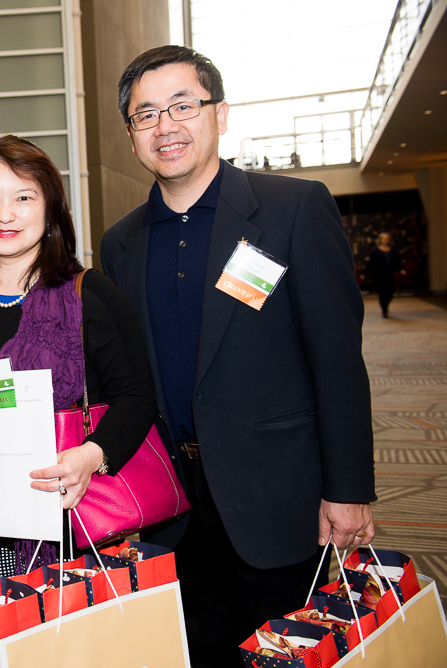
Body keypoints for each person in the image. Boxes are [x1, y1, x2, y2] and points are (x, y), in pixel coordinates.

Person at [100, 46, 375, 668]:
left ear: (220, 114)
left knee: (294, 654)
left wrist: (349, 488)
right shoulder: (120, 243)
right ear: (131, 134)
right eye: (147, 115)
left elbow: (336, 358)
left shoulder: (293, 209)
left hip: (281, 496)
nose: (165, 125)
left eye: (182, 106)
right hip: (174, 507)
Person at [0, 135, 156, 578]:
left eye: (23, 197)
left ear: (49, 209)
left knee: (70, 645)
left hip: (74, 522)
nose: (5, 214)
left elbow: (137, 397)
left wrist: (90, 456)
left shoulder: (89, 295)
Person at [367, 232, 406, 318]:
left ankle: (386, 305)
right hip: (379, 274)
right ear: (380, 240)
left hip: (389, 273)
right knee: (382, 292)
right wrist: (364, 273)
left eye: (387, 239)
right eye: (384, 238)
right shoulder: (375, 251)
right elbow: (370, 263)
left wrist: (401, 269)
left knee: (390, 292)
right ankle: (384, 309)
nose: (385, 240)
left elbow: (398, 261)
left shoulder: (393, 251)